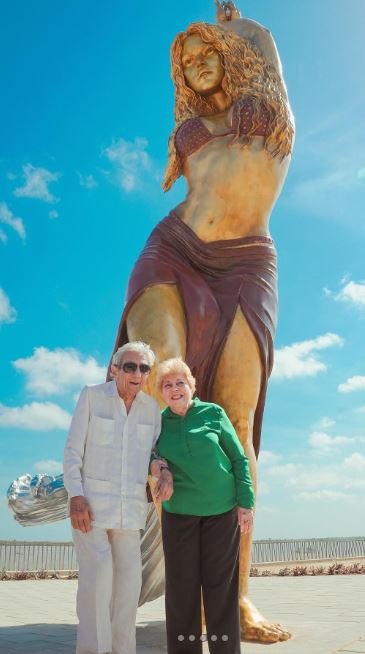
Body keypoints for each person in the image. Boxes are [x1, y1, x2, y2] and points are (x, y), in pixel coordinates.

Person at [109, 1, 294, 642]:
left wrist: (232, 19)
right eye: (186, 61)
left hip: (247, 265)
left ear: (235, 53)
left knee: (237, 423)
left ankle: (236, 597)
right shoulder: (191, 132)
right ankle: (124, 504)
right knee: (161, 378)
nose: (197, 62)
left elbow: (263, 46)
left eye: (207, 49)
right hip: (173, 252)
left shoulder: (267, 117)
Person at [63, 341, 172, 654]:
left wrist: (161, 469)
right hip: (91, 508)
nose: (136, 373)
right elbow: (72, 450)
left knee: (128, 586)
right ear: (115, 369)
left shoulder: (152, 409)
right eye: (129, 366)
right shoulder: (92, 396)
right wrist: (76, 496)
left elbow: (153, 451)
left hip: (130, 511)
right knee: (98, 583)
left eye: (143, 368)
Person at [151, 357, 254, 654]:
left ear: (191, 386)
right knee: (182, 592)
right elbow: (147, 454)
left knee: (220, 591)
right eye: (167, 385)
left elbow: (238, 459)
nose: (174, 389)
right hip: (178, 515)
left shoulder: (213, 413)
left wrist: (245, 504)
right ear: (161, 391)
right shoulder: (157, 423)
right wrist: (160, 467)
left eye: (179, 383)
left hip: (221, 513)